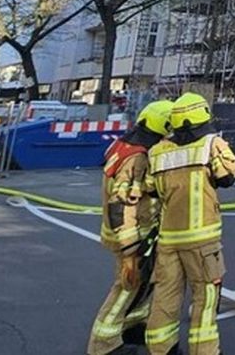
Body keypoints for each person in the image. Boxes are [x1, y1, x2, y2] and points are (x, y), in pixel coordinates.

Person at [144, 92, 235, 355]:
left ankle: (161, 348)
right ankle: (204, 350)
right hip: (202, 240)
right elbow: (228, 177)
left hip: (169, 239)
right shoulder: (211, 144)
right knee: (205, 298)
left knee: (165, 296)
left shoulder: (158, 151)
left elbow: (151, 190)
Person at [86, 99, 173, 355]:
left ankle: (132, 326)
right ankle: (103, 345)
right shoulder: (137, 157)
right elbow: (121, 205)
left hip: (138, 233)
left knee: (144, 285)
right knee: (128, 285)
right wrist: (130, 249)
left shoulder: (126, 146)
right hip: (132, 235)